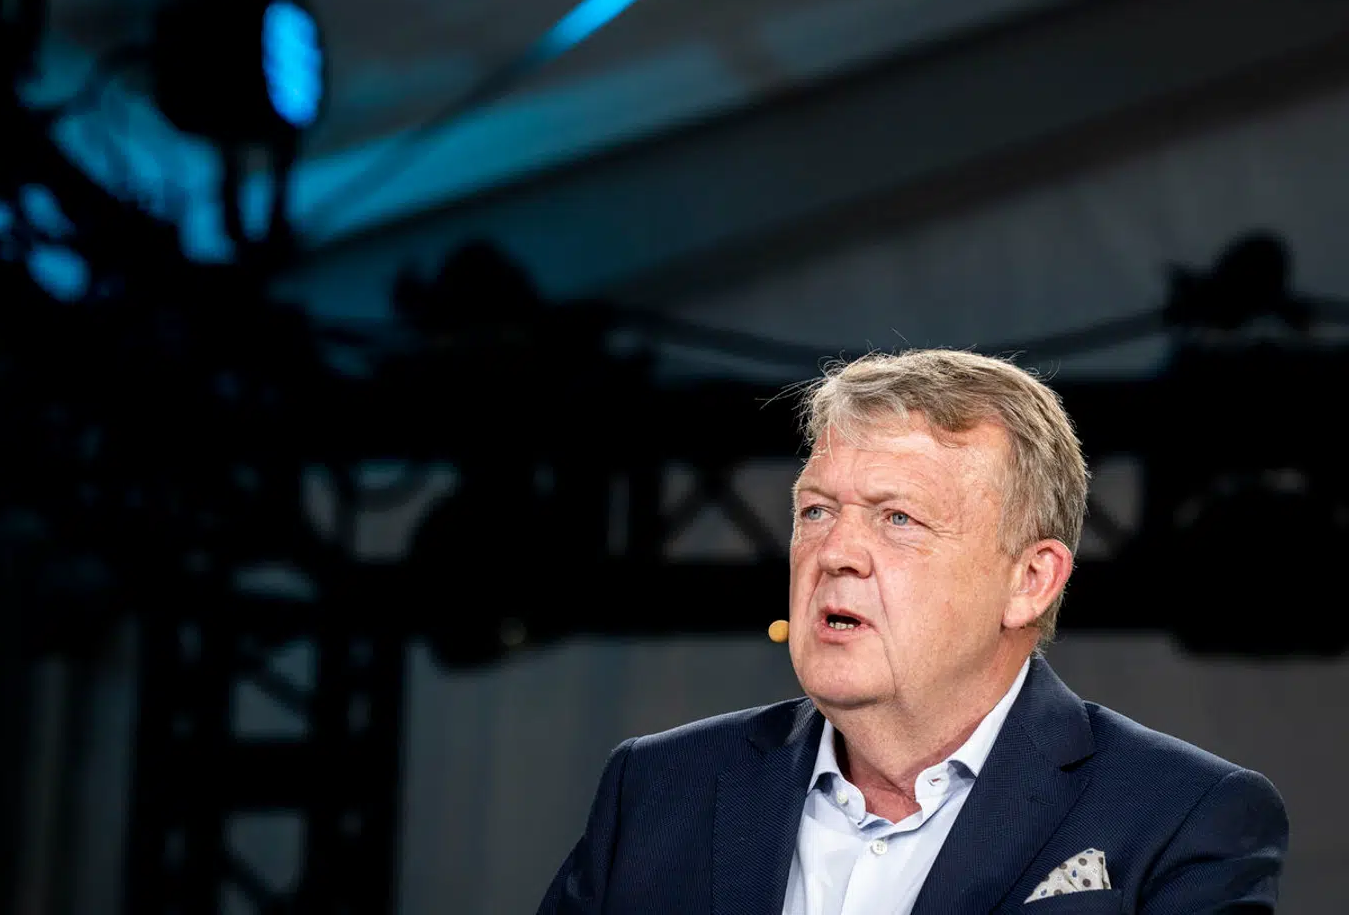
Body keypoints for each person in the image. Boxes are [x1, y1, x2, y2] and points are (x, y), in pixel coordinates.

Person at [536, 349, 1287, 914]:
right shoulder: (659, 788)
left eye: (898, 518)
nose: (835, 552)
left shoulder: (1180, 816)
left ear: (1030, 580)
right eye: (816, 511)